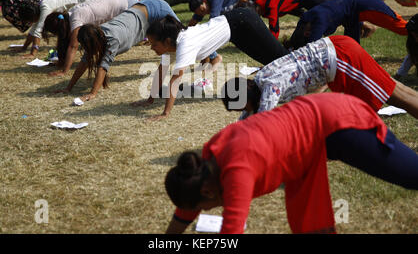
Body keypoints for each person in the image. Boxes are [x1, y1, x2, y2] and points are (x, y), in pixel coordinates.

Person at [164, 92, 418, 234]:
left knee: (412, 175)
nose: (206, 211)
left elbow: (231, 232)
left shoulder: (237, 172)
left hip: (335, 122)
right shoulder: (207, 160)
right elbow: (188, 207)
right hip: (301, 151)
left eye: (206, 207)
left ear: (208, 191)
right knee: (311, 228)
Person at [136, 7, 288, 121]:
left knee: (282, 58)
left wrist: (165, 113)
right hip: (235, 31)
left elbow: (175, 79)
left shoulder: (184, 43)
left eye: (153, 44)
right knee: (273, 61)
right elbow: (161, 71)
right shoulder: (169, 48)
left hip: (243, 21)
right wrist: (150, 99)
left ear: (167, 41)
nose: (151, 48)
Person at [221, 35, 418, 120]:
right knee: (394, 89)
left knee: (394, 96)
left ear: (245, 97)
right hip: (336, 53)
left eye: (239, 106)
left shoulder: (271, 87)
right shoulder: (260, 79)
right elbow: (249, 117)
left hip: (341, 58)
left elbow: (261, 124)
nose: (241, 111)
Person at [54, 0, 179, 103]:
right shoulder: (95, 34)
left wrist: (93, 93)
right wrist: (68, 87)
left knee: (180, 43)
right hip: (141, 6)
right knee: (169, 56)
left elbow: (103, 67)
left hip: (157, 8)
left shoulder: (112, 39)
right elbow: (85, 61)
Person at [42, 0, 138, 77]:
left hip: (129, 5)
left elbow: (73, 46)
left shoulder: (76, 19)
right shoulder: (70, 14)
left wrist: (64, 71)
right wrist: (60, 61)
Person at [287, 0, 409, 48]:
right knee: (352, 48)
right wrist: (291, 47)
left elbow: (312, 47)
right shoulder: (305, 19)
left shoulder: (319, 21)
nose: (310, 33)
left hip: (366, 5)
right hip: (352, 15)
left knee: (404, 28)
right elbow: (297, 37)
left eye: (308, 34)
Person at [16, 0, 106, 58]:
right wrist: (24, 48)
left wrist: (33, 53)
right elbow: (34, 29)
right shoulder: (41, 6)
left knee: (99, 23)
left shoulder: (45, 7)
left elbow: (38, 31)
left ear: (32, 17)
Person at [251, 0, 327, 38]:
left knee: (325, 19)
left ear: (257, 8)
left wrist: (270, 45)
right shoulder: (263, 1)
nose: (258, 16)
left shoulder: (271, 6)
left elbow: (274, 29)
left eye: (257, 14)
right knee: (307, 22)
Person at [395, 13, 418, 79]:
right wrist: (398, 76)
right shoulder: (413, 42)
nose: (416, 40)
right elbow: (411, 57)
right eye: (414, 35)